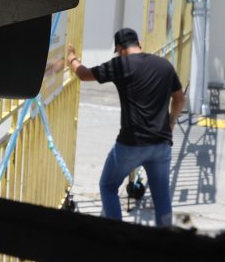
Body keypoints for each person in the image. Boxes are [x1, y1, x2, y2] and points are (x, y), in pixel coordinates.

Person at [66, 28, 185, 227]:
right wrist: (171, 122)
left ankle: (116, 238)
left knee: (108, 185)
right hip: (161, 144)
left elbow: (84, 74)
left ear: (120, 48)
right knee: (162, 196)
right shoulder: (164, 65)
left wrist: (71, 58)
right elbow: (179, 99)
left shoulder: (121, 64)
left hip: (132, 144)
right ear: (139, 43)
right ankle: (167, 244)